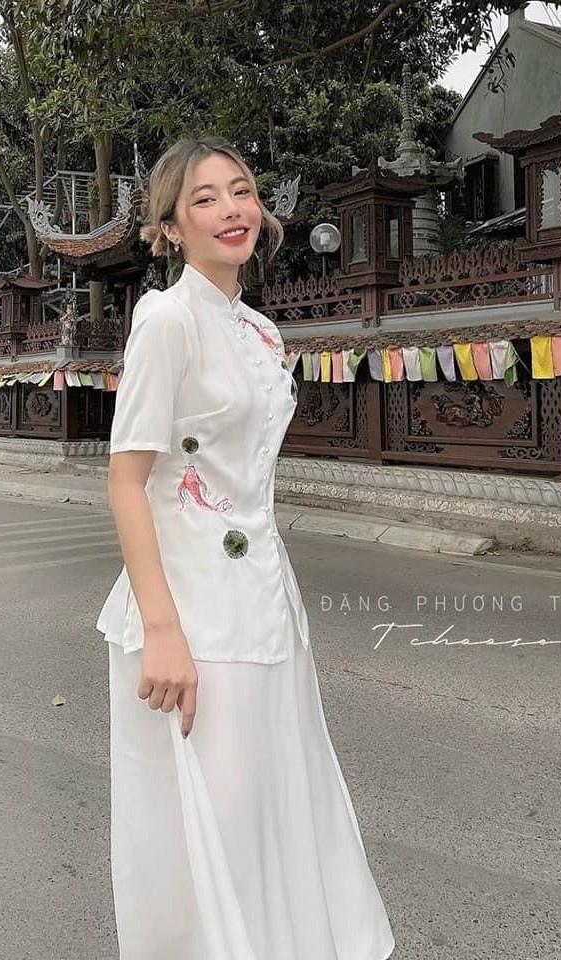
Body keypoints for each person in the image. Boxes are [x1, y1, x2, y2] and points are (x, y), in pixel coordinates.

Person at [96, 136, 396, 959]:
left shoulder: (261, 331)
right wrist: (164, 632)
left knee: (271, 811)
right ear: (170, 227)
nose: (231, 210)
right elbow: (127, 482)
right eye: (204, 198)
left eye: (242, 191)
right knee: (206, 829)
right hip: (191, 613)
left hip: (264, 598)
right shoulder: (167, 320)